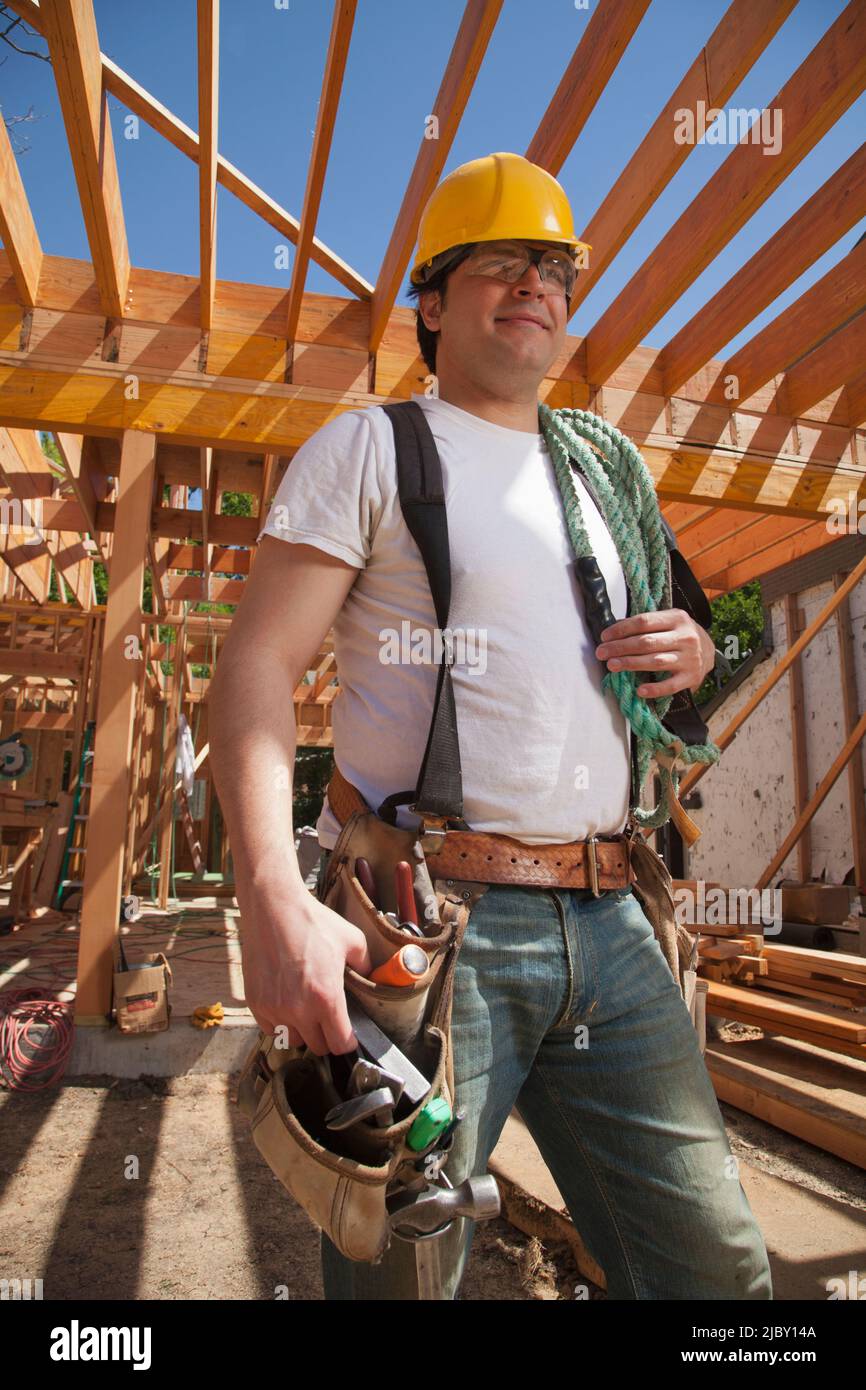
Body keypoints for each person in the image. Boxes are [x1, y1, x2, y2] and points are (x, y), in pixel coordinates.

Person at [209, 152, 773, 1301]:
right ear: (430, 299)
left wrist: (696, 657)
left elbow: (672, 675)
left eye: (554, 267)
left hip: (614, 917)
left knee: (715, 1270)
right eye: (499, 265)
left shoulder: (600, 473)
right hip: (434, 923)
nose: (534, 285)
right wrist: (270, 887)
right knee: (403, 1276)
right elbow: (257, 662)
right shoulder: (373, 450)